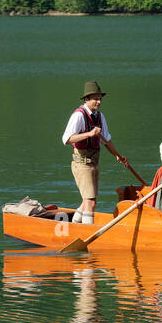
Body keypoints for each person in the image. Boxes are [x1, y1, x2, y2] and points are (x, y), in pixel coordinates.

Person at [61, 81, 130, 225]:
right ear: (86, 99)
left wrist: (118, 155)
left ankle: (74, 225)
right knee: (90, 202)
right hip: (82, 163)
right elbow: (66, 139)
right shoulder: (79, 116)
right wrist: (89, 134)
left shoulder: (100, 116)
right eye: (95, 99)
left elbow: (107, 141)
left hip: (94, 162)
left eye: (100, 99)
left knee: (89, 201)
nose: (99, 102)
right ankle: (88, 232)